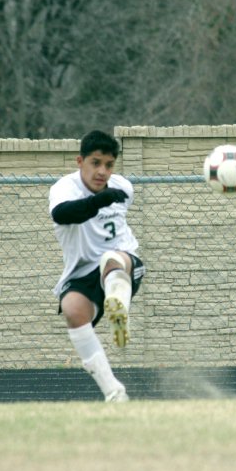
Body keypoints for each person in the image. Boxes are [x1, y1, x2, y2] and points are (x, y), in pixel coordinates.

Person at [49, 130, 144, 402]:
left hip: (124, 263)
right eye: (95, 163)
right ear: (80, 161)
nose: (102, 171)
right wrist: (98, 201)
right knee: (72, 310)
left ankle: (119, 310)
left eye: (109, 165)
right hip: (81, 271)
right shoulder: (64, 188)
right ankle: (114, 393)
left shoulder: (123, 187)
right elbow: (63, 213)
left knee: (111, 260)